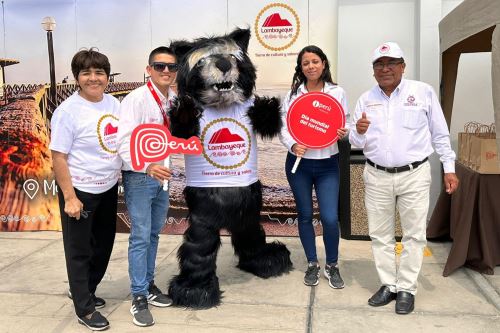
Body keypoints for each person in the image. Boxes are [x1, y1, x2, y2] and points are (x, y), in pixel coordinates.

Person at [349, 42, 459, 314]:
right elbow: (354, 139)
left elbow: (440, 133)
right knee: (380, 234)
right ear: (373, 70)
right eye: (379, 64)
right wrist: (359, 131)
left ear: (402, 66)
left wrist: (449, 167)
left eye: (391, 63)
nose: (385, 69)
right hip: (376, 174)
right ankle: (388, 284)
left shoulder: (422, 93)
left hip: (414, 174)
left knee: (414, 234)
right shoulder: (366, 98)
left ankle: (407, 288)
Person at [50, 48, 121, 331]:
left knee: (103, 246)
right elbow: (58, 157)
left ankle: (86, 289)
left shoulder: (114, 105)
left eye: (99, 72)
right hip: (79, 190)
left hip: (108, 187)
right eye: (86, 73)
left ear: (107, 77)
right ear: (77, 78)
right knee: (78, 250)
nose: (93, 78)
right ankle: (84, 308)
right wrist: (69, 197)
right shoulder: (68, 111)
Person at [117, 46, 177, 327]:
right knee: (140, 236)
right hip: (141, 177)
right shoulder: (136, 99)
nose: (166, 71)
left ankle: (149, 285)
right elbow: (124, 140)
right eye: (160, 66)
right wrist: (147, 166)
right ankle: (138, 296)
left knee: (153, 234)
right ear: (148, 69)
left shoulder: (172, 99)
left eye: (171, 67)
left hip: (162, 178)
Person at [280, 45, 349, 289]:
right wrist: (292, 145)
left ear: (324, 64)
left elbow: (344, 121)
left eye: (315, 61)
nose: (311, 66)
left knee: (330, 218)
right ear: (301, 67)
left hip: (328, 164)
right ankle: (312, 263)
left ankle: (332, 265)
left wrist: (343, 132)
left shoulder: (337, 92)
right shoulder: (292, 96)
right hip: (299, 165)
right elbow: (284, 128)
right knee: (306, 215)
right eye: (306, 62)